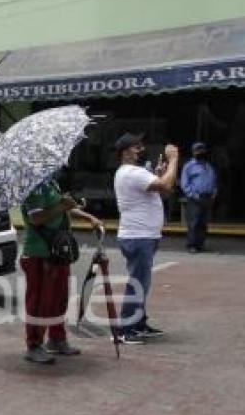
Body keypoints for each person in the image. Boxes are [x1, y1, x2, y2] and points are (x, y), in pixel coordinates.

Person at [20, 178, 103, 364]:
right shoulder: (33, 187)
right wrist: (62, 206)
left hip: (58, 251)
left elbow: (62, 207)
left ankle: (57, 338)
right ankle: (34, 345)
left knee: (59, 298)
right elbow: (36, 217)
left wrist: (87, 216)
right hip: (39, 253)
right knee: (39, 303)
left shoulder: (51, 183)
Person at [113, 133, 179, 345]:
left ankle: (138, 323)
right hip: (138, 236)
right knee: (138, 283)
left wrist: (159, 174)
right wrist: (174, 159)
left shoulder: (134, 172)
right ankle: (126, 329)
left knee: (142, 281)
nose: (140, 149)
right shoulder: (131, 172)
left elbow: (161, 188)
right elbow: (167, 186)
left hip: (143, 235)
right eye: (135, 147)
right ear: (125, 153)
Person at [180, 142, 217, 253]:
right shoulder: (189, 166)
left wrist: (214, 192)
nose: (200, 152)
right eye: (198, 150)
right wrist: (192, 194)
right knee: (194, 222)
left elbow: (213, 181)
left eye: (202, 150)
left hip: (207, 198)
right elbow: (184, 183)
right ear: (193, 152)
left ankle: (200, 244)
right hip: (195, 198)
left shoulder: (208, 166)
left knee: (203, 223)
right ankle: (192, 245)